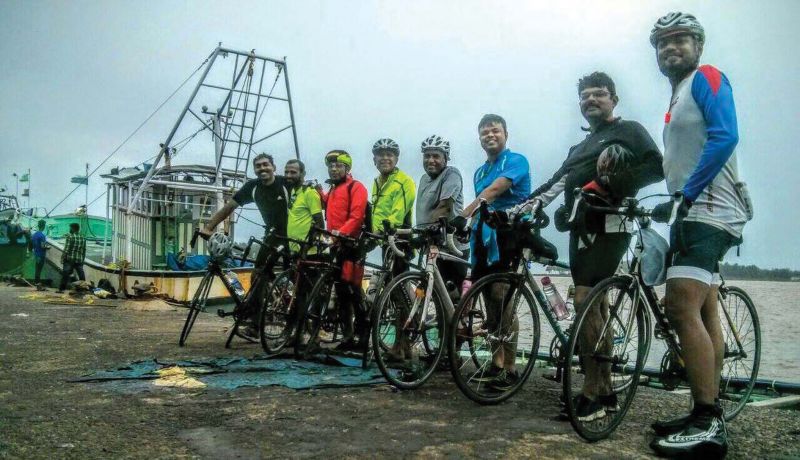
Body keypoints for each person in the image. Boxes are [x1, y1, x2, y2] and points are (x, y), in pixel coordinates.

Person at [512, 72, 663, 420]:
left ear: (614, 100)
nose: (591, 100)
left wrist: (610, 182)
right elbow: (555, 183)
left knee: (586, 300)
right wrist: (524, 208)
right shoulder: (578, 147)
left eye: (599, 94)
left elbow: (656, 167)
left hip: (612, 225)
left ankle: (594, 392)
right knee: (589, 307)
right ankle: (603, 390)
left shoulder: (630, 131)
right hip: (581, 231)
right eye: (585, 96)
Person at [647, 12, 750, 458]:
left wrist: (685, 194)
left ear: (698, 46)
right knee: (704, 308)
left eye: (681, 40)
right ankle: (703, 410)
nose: (671, 48)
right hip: (693, 209)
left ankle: (708, 425)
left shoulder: (708, 77)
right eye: (663, 43)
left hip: (707, 209)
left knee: (679, 305)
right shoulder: (677, 96)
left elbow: (726, 136)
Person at [454, 114, 531, 390]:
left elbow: (496, 190)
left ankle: (510, 368)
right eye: (485, 132)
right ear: (479, 138)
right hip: (484, 239)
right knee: (489, 301)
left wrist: (464, 214)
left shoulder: (516, 161)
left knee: (503, 297)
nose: (490, 135)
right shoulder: (478, 171)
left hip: (509, 234)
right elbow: (483, 205)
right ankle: (496, 363)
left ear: (505, 134)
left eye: (495, 131)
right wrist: (468, 225)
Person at [201, 153, 289, 337]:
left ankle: (305, 325)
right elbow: (229, 207)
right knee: (258, 276)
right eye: (258, 166)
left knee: (299, 277)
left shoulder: (285, 183)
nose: (262, 168)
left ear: (274, 167)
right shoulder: (252, 187)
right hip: (272, 235)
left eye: (266, 165)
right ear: (254, 170)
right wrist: (208, 227)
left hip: (293, 236)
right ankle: (256, 325)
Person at [322, 150, 369, 350]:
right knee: (341, 292)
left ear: (347, 168)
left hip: (352, 245)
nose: (334, 169)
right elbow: (329, 206)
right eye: (331, 166)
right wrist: (317, 191)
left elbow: (357, 216)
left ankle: (363, 334)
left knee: (353, 290)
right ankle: (347, 336)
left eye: (338, 166)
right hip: (335, 245)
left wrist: (339, 235)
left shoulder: (356, 187)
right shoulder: (333, 190)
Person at [415, 134, 469, 297]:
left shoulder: (451, 174)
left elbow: (445, 207)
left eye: (436, 156)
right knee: (434, 294)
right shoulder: (424, 179)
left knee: (451, 294)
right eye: (427, 156)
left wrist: (426, 231)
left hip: (453, 247)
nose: (430, 160)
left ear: (445, 158)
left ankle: (460, 320)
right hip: (432, 245)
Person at [284, 159, 324, 253]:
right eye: (286, 172)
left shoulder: (309, 192)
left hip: (310, 253)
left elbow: (320, 225)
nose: (288, 175)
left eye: (293, 172)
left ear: (303, 173)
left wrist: (306, 247)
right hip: (295, 250)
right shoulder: (294, 191)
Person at [58, 223, 86, 293]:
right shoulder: (83, 237)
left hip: (70, 259)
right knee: (81, 275)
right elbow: (84, 250)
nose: (69, 229)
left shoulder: (70, 237)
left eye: (70, 228)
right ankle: (83, 288)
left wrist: (62, 258)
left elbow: (66, 249)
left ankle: (62, 289)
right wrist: (82, 259)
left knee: (65, 273)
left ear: (73, 229)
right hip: (79, 259)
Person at [31, 220, 48, 289]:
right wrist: (48, 247)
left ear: (38, 225)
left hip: (36, 253)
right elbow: (43, 246)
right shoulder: (42, 236)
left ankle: (36, 282)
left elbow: (32, 244)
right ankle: (37, 283)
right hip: (41, 254)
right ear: (43, 226)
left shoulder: (35, 234)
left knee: (37, 268)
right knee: (39, 269)